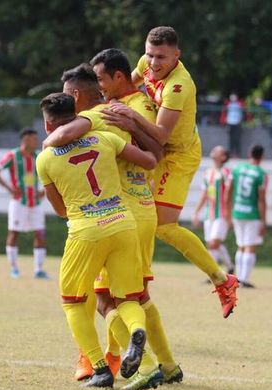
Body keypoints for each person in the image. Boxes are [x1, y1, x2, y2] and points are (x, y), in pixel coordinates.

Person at [43, 56, 178, 390]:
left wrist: (48, 144)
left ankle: (113, 366)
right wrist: (132, 125)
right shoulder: (128, 111)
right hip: (134, 215)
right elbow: (154, 155)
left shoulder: (91, 119)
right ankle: (167, 365)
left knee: (96, 301)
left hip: (99, 221)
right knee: (136, 297)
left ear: (74, 96)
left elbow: (62, 136)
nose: (103, 90)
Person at [101, 26, 239, 318]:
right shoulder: (145, 62)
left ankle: (222, 279)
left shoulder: (180, 86)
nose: (153, 63)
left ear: (177, 55)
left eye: (161, 57)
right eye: (150, 54)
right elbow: (127, 89)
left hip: (178, 156)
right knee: (137, 212)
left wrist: (131, 116)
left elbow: (162, 135)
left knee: (163, 226)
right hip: (155, 150)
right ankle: (133, 280)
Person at [0, 128, 49, 280]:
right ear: (25, 139)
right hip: (18, 202)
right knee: (14, 233)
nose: (37, 141)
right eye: (34, 139)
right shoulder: (13, 156)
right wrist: (9, 188)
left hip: (35, 203)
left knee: (40, 234)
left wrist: (44, 190)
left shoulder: (38, 156)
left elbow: (49, 173)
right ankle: (14, 269)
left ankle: (38, 270)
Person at [227, 144, 268, 288]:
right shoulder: (261, 173)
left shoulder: (237, 168)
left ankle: (238, 278)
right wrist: (264, 221)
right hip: (252, 213)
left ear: (250, 153)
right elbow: (261, 199)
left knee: (241, 245)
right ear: (262, 156)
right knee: (250, 246)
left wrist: (228, 211)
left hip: (237, 211)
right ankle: (244, 279)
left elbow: (229, 190)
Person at [192, 146, 234, 275]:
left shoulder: (226, 172)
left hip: (221, 213)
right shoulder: (208, 172)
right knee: (211, 243)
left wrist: (229, 214)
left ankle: (213, 273)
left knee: (214, 243)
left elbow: (229, 193)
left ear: (223, 157)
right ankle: (229, 266)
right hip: (209, 213)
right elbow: (205, 194)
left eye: (218, 150)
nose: (214, 151)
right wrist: (196, 212)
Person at [219, 93, 245, 157]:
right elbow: (224, 113)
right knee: (230, 139)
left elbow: (243, 112)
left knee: (237, 139)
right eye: (232, 97)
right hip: (230, 123)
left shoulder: (239, 104)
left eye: (234, 97)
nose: (233, 99)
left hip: (237, 123)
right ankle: (231, 153)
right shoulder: (228, 104)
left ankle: (237, 153)